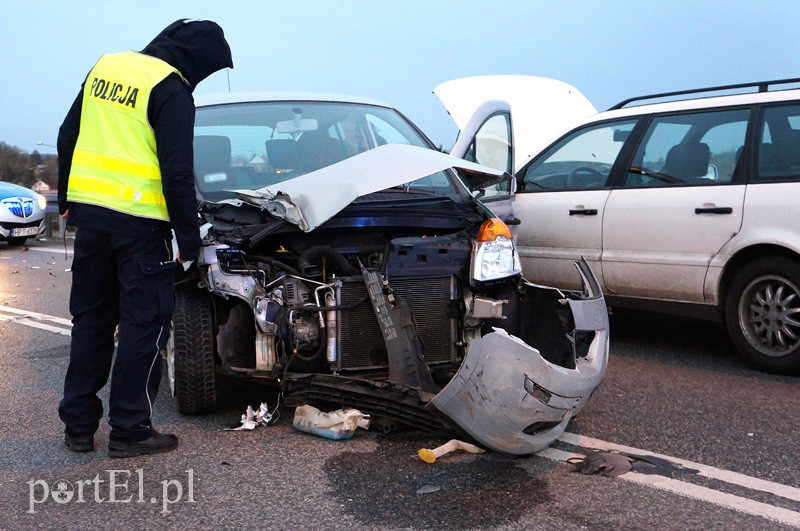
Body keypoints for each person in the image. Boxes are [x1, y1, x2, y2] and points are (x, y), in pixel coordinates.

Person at [56, 19, 233, 458]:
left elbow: (67, 134)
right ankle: (130, 431)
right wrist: (189, 242)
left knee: (92, 322)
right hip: (142, 229)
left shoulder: (107, 67)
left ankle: (78, 428)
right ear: (195, 60)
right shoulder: (171, 88)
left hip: (92, 223)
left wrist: (66, 197)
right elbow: (176, 173)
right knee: (143, 327)